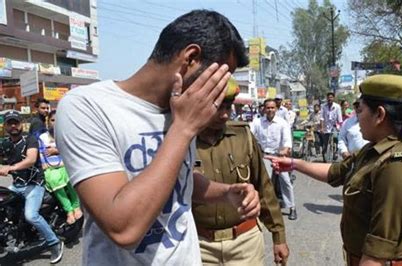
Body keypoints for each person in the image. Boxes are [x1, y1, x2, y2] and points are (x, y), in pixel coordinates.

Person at [55, 10, 260, 265]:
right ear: (191, 58)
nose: (220, 90)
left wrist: (225, 192)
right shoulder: (86, 107)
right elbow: (124, 228)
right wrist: (183, 128)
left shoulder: (182, 110)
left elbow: (178, 179)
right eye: (219, 77)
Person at [266, 74, 402, 266]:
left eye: (359, 110)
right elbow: (336, 172)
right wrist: (295, 164)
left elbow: (380, 246)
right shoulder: (373, 150)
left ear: (380, 115)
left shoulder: (398, 164)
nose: (355, 117)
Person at [193, 82, 289, 265]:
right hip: (199, 246)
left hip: (245, 244)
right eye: (217, 106)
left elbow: (264, 188)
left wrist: (279, 236)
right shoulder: (182, 141)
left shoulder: (243, 136)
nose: (224, 114)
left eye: (228, 106)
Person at [0, 110, 64, 264]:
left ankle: (54, 243)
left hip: (34, 185)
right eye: (10, 123)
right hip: (17, 185)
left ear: (21, 124)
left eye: (16, 122)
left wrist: (10, 167)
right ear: (6, 126)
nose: (14, 126)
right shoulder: (6, 143)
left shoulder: (30, 140)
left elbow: (30, 159)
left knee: (31, 215)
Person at [251, 99, 297, 220]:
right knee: (265, 182)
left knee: (286, 181)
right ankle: (266, 208)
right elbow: (250, 134)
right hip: (265, 156)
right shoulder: (257, 122)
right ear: (264, 109)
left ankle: (292, 207)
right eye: (268, 108)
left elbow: (287, 141)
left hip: (280, 156)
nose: (270, 110)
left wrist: (285, 150)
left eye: (272, 108)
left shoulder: (282, 123)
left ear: (276, 109)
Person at [38, 110, 82, 224]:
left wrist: (56, 151)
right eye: (52, 120)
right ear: (48, 122)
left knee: (71, 180)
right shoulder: (43, 137)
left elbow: (72, 151)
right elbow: (42, 154)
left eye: (58, 120)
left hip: (66, 164)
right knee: (53, 180)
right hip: (50, 167)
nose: (55, 123)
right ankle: (69, 210)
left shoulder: (67, 135)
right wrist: (47, 165)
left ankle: (76, 206)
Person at [321, 92, 343, 162]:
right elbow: (321, 118)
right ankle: (324, 158)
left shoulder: (337, 106)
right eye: (328, 97)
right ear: (327, 98)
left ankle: (335, 151)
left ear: (333, 98)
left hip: (335, 126)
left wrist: (340, 127)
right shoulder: (323, 106)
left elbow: (340, 119)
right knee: (325, 144)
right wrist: (322, 127)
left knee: (336, 139)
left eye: (331, 97)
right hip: (326, 127)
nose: (329, 99)